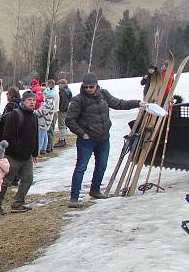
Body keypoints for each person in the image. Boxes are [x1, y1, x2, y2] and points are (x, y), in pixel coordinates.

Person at [66, 72, 143, 206]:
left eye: (91, 86)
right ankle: (74, 198)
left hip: (103, 138)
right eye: (86, 87)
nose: (89, 89)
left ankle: (95, 190)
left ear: (96, 85)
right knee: (81, 168)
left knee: (102, 165)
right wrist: (82, 133)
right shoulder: (78, 100)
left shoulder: (104, 94)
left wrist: (138, 103)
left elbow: (119, 103)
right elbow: (69, 120)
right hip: (87, 140)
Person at [0, 91, 39, 214]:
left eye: (34, 100)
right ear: (23, 101)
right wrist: (17, 149)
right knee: (5, 181)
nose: (32, 102)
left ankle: (18, 203)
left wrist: (35, 153)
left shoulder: (34, 116)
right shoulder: (15, 115)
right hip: (13, 155)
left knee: (28, 179)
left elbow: (34, 136)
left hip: (27, 156)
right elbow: (8, 136)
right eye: (29, 100)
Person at [36, 87, 56, 155]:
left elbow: (43, 111)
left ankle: (38, 150)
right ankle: (43, 149)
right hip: (45, 121)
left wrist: (36, 112)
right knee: (44, 135)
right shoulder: (48, 101)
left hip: (44, 121)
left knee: (40, 136)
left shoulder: (49, 102)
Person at [56, 79, 72, 148]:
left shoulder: (63, 91)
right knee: (64, 125)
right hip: (67, 109)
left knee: (61, 125)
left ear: (63, 84)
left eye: (59, 84)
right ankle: (63, 139)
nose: (58, 85)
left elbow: (64, 102)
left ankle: (62, 140)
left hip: (63, 110)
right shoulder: (68, 90)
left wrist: (60, 109)